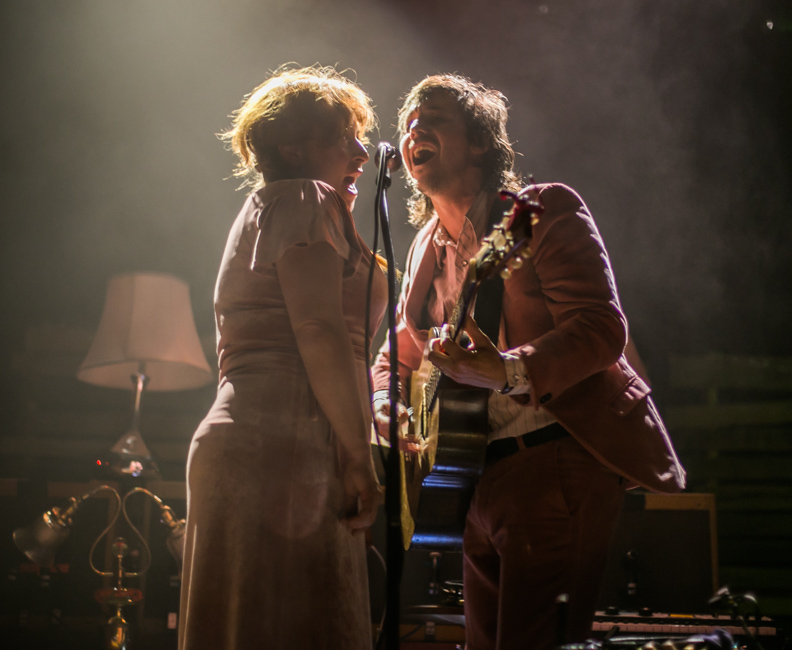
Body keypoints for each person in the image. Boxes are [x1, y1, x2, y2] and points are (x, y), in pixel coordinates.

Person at [371, 74, 686, 650]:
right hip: (472, 476)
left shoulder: (536, 212)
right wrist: (383, 403)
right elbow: (397, 355)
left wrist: (505, 370)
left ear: (480, 143)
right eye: (408, 121)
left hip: (554, 458)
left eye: (432, 117)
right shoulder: (421, 248)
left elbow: (601, 329)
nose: (414, 129)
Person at [179, 66, 387, 650]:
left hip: (264, 437)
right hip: (284, 443)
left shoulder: (285, 205)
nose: (362, 151)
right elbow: (319, 329)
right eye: (343, 137)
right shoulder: (302, 196)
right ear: (293, 146)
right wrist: (356, 458)